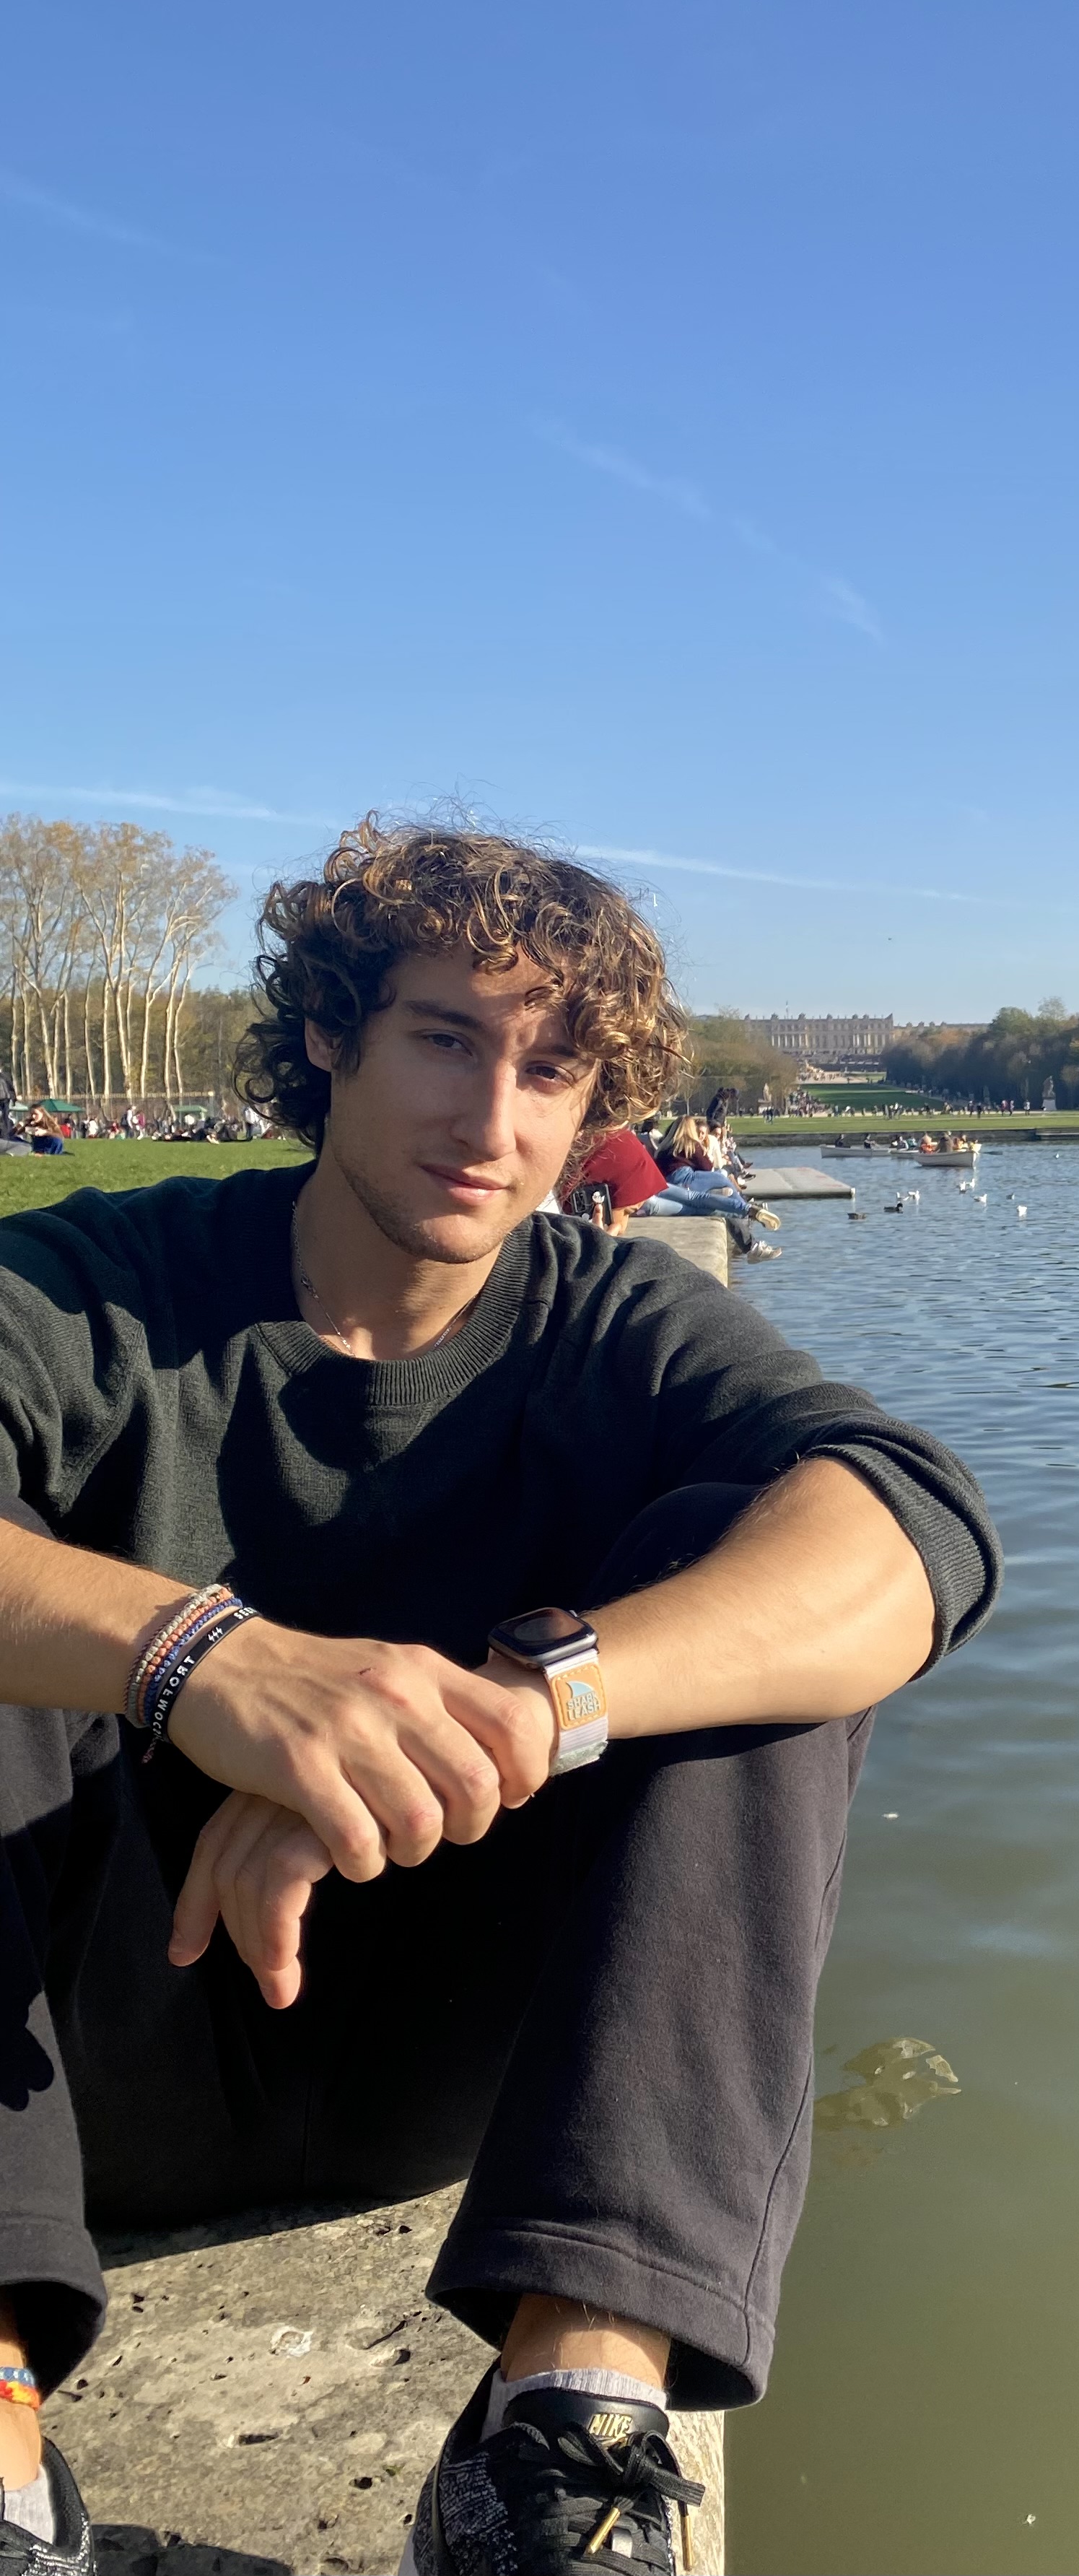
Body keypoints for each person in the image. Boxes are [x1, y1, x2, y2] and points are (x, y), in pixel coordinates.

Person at [0, 821, 1000, 2574]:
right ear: (328, 1033)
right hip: (73, 2060)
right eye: (446, 1040)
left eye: (552, 1070)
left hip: (449, 2059)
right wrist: (199, 1660)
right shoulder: (97, 1289)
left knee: (750, 1597)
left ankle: (564, 2431)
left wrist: (525, 1702)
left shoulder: (611, 1319)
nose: (495, 1120)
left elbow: (914, 1531)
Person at [637, 1119, 783, 1263]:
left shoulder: (664, 1147)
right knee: (721, 1178)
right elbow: (707, 1167)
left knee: (716, 1202)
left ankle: (752, 1241)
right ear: (690, 1130)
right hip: (686, 1180)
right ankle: (748, 1211)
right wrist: (703, 1149)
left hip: (670, 1186)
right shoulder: (691, 1144)